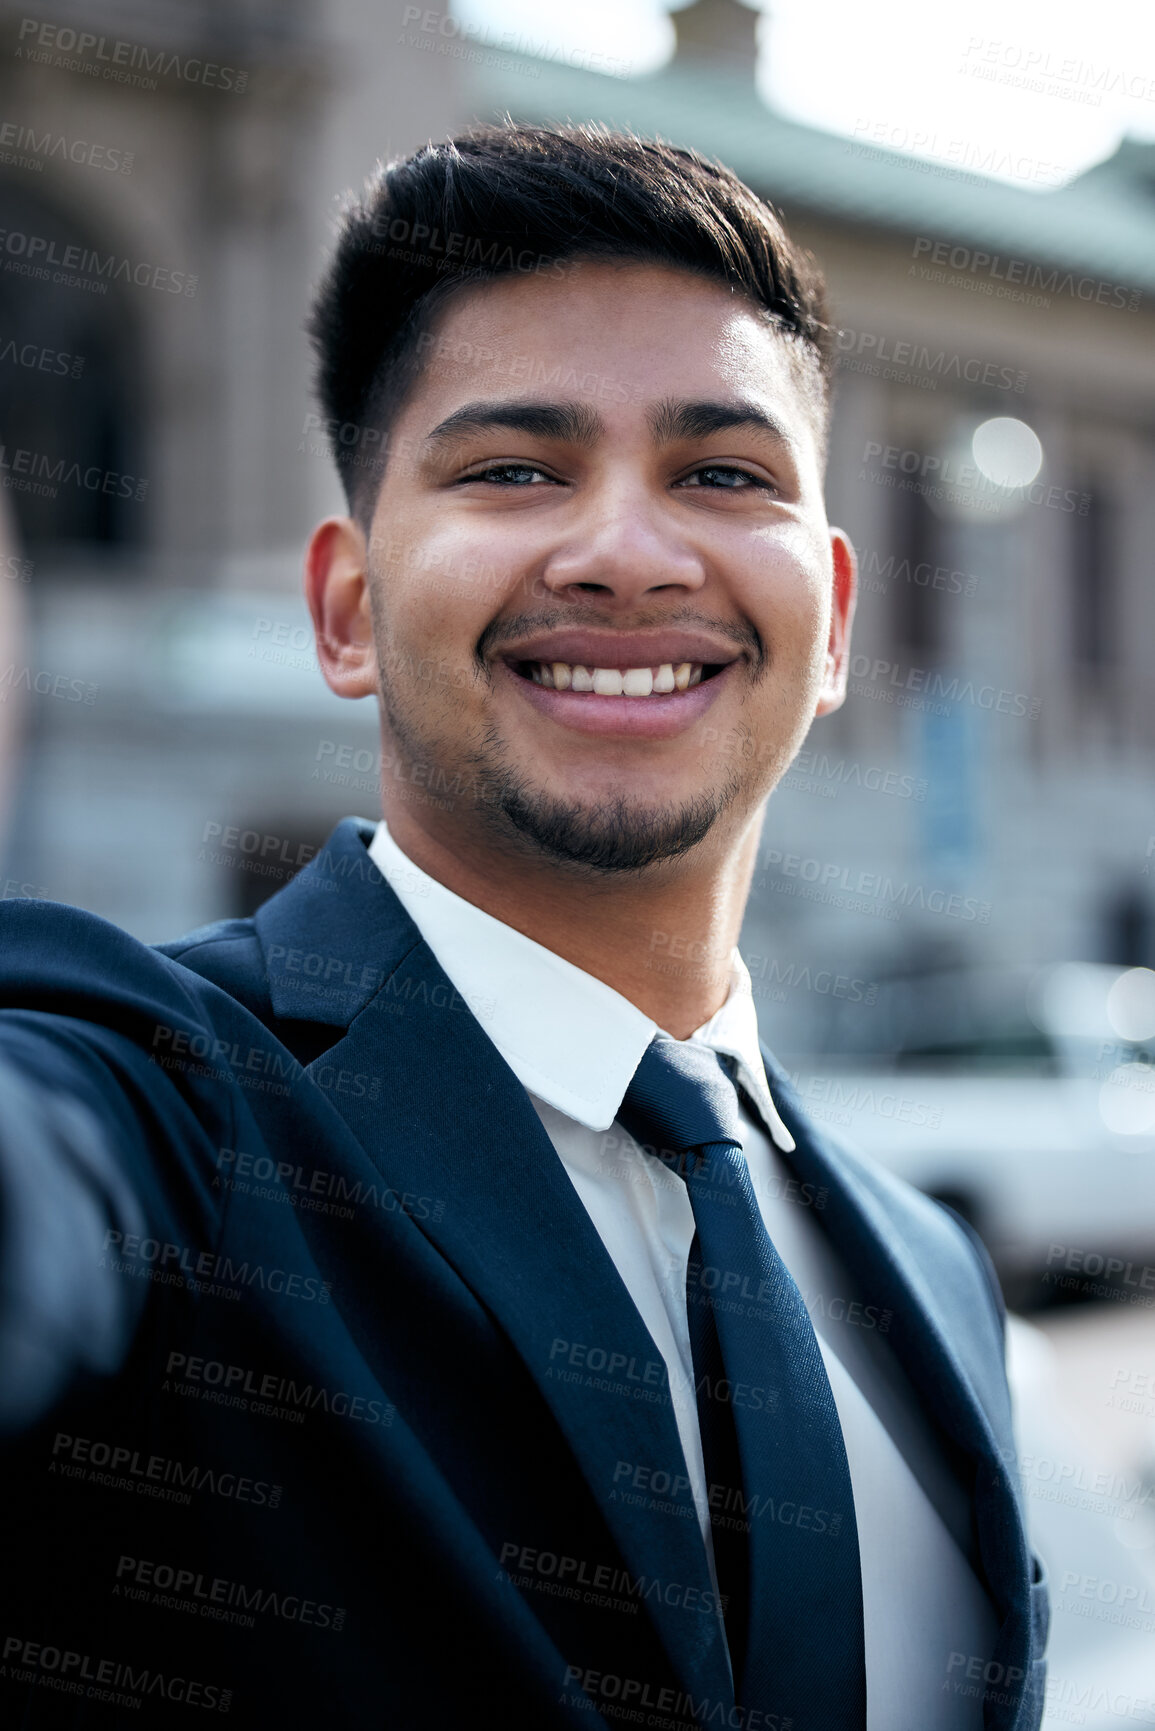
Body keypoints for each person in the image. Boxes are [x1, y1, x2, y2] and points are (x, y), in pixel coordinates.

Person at [0, 122, 1046, 1730]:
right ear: (347, 609)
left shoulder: (929, 1268)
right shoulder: (149, 1108)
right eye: (514, 469)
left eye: (722, 472)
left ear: (834, 621)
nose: (626, 551)